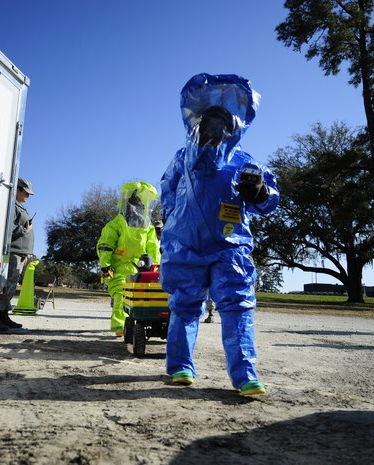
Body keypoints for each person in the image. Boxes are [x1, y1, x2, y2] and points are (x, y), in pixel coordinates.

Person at [159, 73, 279, 395]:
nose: (216, 130)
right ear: (198, 125)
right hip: (185, 245)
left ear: (233, 129)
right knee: (185, 307)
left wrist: (260, 193)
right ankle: (181, 366)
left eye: (223, 124)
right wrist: (175, 224)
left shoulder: (244, 161)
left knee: (237, 307)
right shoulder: (184, 158)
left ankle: (245, 375)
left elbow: (269, 200)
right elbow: (167, 195)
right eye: (210, 123)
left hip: (230, 246)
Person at [97, 182, 161, 336]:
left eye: (138, 206)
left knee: (144, 298)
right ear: (126, 206)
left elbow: (153, 249)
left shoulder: (147, 228)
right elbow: (105, 245)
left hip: (140, 269)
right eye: (133, 206)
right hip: (117, 269)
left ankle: (140, 326)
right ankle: (120, 326)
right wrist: (106, 265)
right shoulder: (116, 224)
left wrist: (156, 267)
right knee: (121, 294)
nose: (135, 210)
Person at [0, 178, 34, 332]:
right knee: (4, 286)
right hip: (12, 252)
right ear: (18, 190)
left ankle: (4, 316)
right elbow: (9, 229)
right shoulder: (12, 206)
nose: (28, 196)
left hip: (19, 253)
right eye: (26, 192)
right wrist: (23, 230)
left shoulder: (21, 207)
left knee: (11, 287)